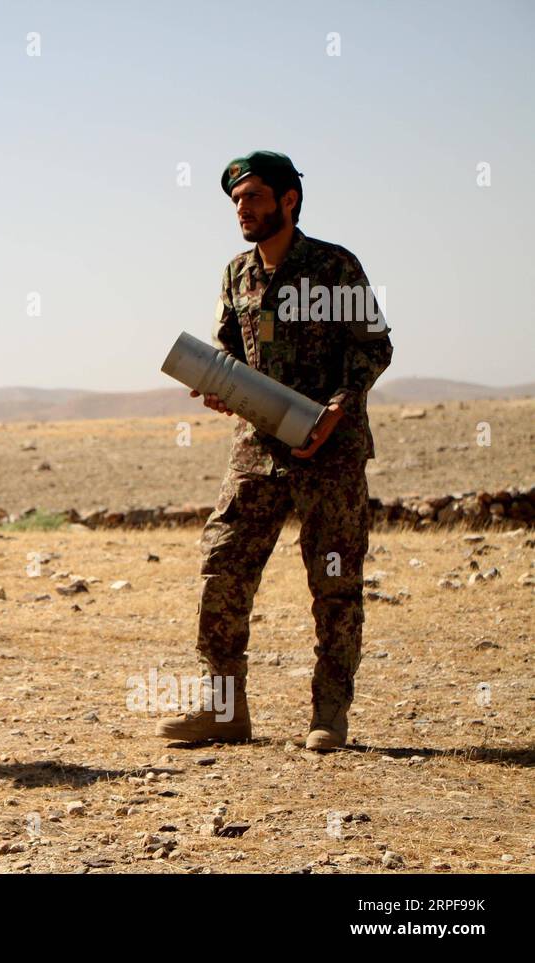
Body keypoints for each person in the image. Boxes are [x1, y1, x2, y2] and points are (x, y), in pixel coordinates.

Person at [156, 151, 393, 751]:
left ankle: (329, 716)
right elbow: (228, 350)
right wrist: (217, 386)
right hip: (257, 450)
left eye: (255, 196)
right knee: (223, 569)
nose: (243, 208)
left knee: (334, 583)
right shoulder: (236, 274)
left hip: (329, 448)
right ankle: (224, 711)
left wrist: (340, 405)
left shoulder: (335, 267)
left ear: (289, 200)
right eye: (236, 199)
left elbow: (374, 347)